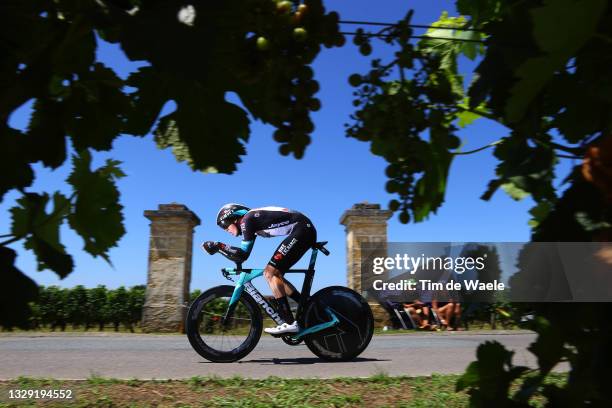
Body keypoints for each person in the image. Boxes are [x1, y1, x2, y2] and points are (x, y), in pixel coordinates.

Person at [201, 203, 317, 335]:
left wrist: (218, 246)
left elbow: (242, 255)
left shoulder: (247, 220)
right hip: (304, 229)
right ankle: (309, 307)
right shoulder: (251, 222)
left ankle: (289, 322)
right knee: (276, 275)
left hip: (302, 229)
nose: (229, 232)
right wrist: (221, 249)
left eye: (226, 228)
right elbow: (241, 256)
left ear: (232, 218)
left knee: (270, 273)